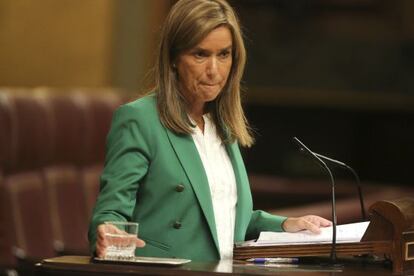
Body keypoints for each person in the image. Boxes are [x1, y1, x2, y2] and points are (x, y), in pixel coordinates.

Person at [88, 0, 331, 261]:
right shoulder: (140, 119)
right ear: (173, 59)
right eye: (200, 54)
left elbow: (224, 219)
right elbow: (110, 212)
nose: (214, 71)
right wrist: (106, 231)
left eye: (223, 54)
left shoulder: (223, 126)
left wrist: (286, 225)